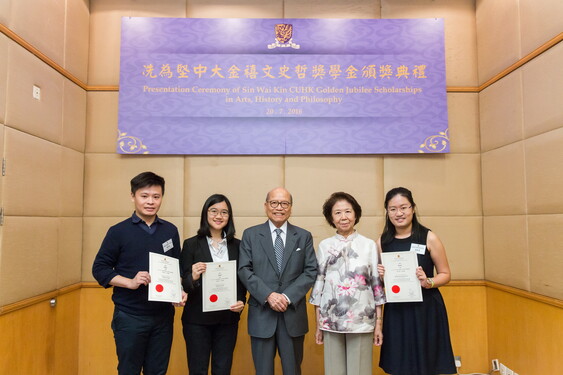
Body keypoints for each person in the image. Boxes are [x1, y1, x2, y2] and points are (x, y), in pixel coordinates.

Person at [92, 171, 187, 375]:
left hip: (162, 317)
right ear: (133, 196)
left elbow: (176, 267)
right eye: (144, 196)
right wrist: (129, 282)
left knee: (158, 371)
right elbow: (99, 269)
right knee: (129, 370)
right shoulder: (118, 231)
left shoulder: (170, 231)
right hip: (130, 316)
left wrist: (178, 290)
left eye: (156, 196)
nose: (150, 202)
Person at [238, 187, 318, 375]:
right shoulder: (250, 235)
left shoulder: (303, 236)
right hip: (262, 314)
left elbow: (310, 271)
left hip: (292, 315)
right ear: (266, 206)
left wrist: (287, 297)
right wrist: (268, 295)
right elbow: (244, 269)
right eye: (274, 203)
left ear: (290, 208)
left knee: (292, 370)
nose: (279, 207)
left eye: (284, 203)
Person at [377, 187, 456, 375]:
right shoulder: (382, 242)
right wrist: (381, 277)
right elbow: (379, 285)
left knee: (428, 362)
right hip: (397, 311)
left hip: (426, 309)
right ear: (387, 212)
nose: (399, 213)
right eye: (393, 209)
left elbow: (445, 274)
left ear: (413, 208)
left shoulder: (429, 237)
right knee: (399, 362)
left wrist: (428, 281)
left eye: (403, 207)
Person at [309, 192, 385, 375]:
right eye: (337, 213)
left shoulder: (369, 245)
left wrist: (379, 325)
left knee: (360, 371)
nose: (344, 217)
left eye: (348, 211)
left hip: (362, 320)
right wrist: (318, 325)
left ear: (356, 214)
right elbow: (318, 287)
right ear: (331, 218)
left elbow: (377, 287)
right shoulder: (324, 246)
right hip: (331, 321)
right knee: (334, 371)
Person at [179, 194, 246, 375]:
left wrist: (241, 302)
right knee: (197, 370)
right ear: (205, 214)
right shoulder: (191, 244)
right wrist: (192, 276)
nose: (219, 216)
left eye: (224, 212)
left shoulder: (239, 246)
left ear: (229, 216)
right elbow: (184, 284)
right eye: (214, 211)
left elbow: (243, 279)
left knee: (222, 369)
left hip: (227, 319)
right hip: (197, 321)